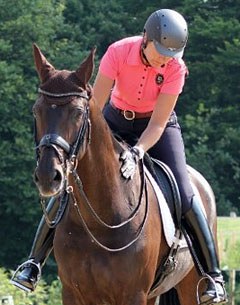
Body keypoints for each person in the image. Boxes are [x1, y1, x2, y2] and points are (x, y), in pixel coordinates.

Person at [11, 8, 227, 305]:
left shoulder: (175, 68)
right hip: (114, 120)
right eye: (161, 51)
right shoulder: (118, 52)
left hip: (158, 128)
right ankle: (33, 263)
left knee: (186, 191)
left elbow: (158, 123)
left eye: (171, 54)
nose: (165, 58)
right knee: (69, 185)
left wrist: (138, 150)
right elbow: (94, 105)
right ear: (146, 39)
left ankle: (211, 275)